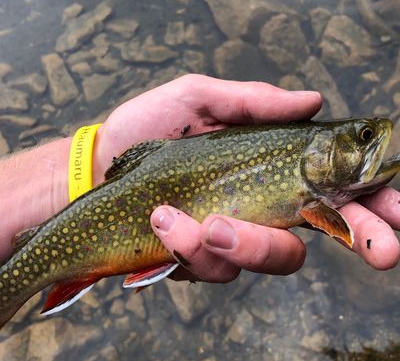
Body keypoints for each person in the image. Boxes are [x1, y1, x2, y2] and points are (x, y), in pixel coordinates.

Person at [0, 74, 399, 284]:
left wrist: (83, 169)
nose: (376, 137)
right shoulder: (312, 196)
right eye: (364, 137)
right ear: (317, 153)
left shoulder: (313, 189)